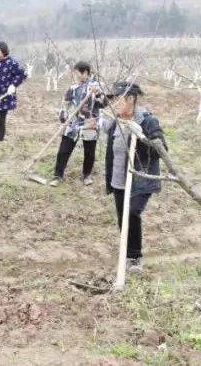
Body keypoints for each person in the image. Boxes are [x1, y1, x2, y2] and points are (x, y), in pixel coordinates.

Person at [99, 82, 165, 274]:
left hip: (140, 179)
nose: (113, 103)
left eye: (117, 99)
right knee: (123, 218)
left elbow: (161, 150)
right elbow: (106, 133)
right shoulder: (115, 121)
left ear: (131, 99)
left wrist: (143, 138)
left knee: (132, 212)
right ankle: (127, 253)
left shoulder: (147, 121)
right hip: (119, 178)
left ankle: (135, 258)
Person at [48, 61, 102, 187]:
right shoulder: (73, 88)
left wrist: (98, 94)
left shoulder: (97, 87)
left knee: (89, 151)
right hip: (74, 122)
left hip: (90, 123)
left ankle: (87, 175)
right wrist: (63, 116)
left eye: (78, 74)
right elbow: (65, 103)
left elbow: (103, 103)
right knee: (64, 149)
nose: (76, 76)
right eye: (75, 74)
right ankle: (58, 175)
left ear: (86, 73)